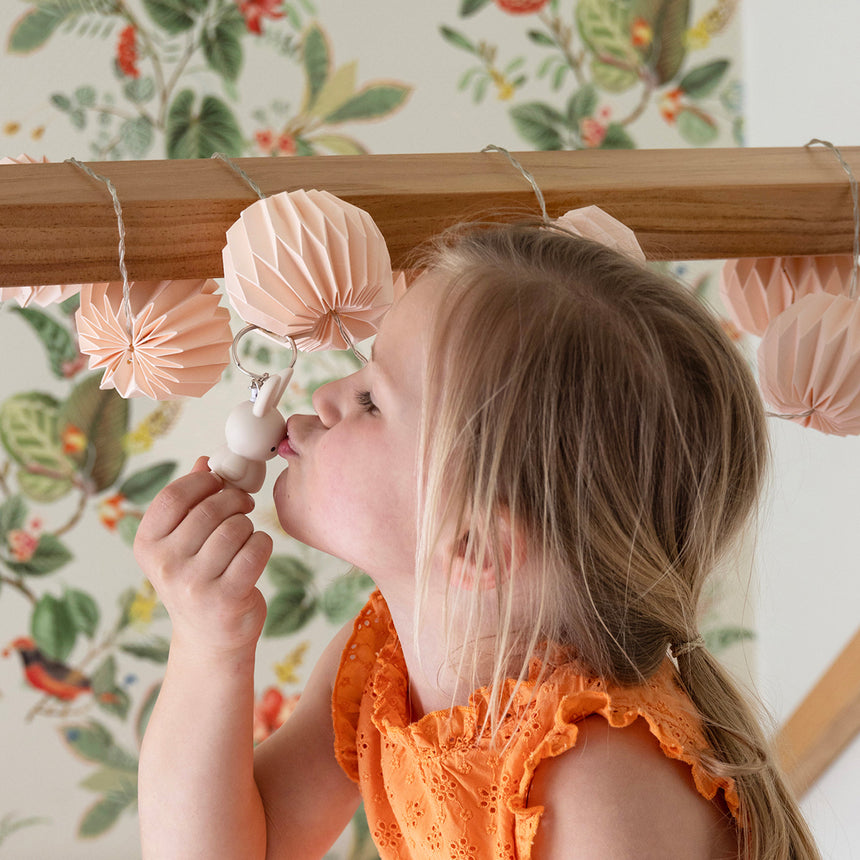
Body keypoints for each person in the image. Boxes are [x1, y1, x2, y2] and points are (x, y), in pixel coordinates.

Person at [135, 221, 820, 860]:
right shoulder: (380, 669)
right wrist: (208, 644)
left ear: (477, 548)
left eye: (373, 400)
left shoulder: (599, 780)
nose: (328, 397)